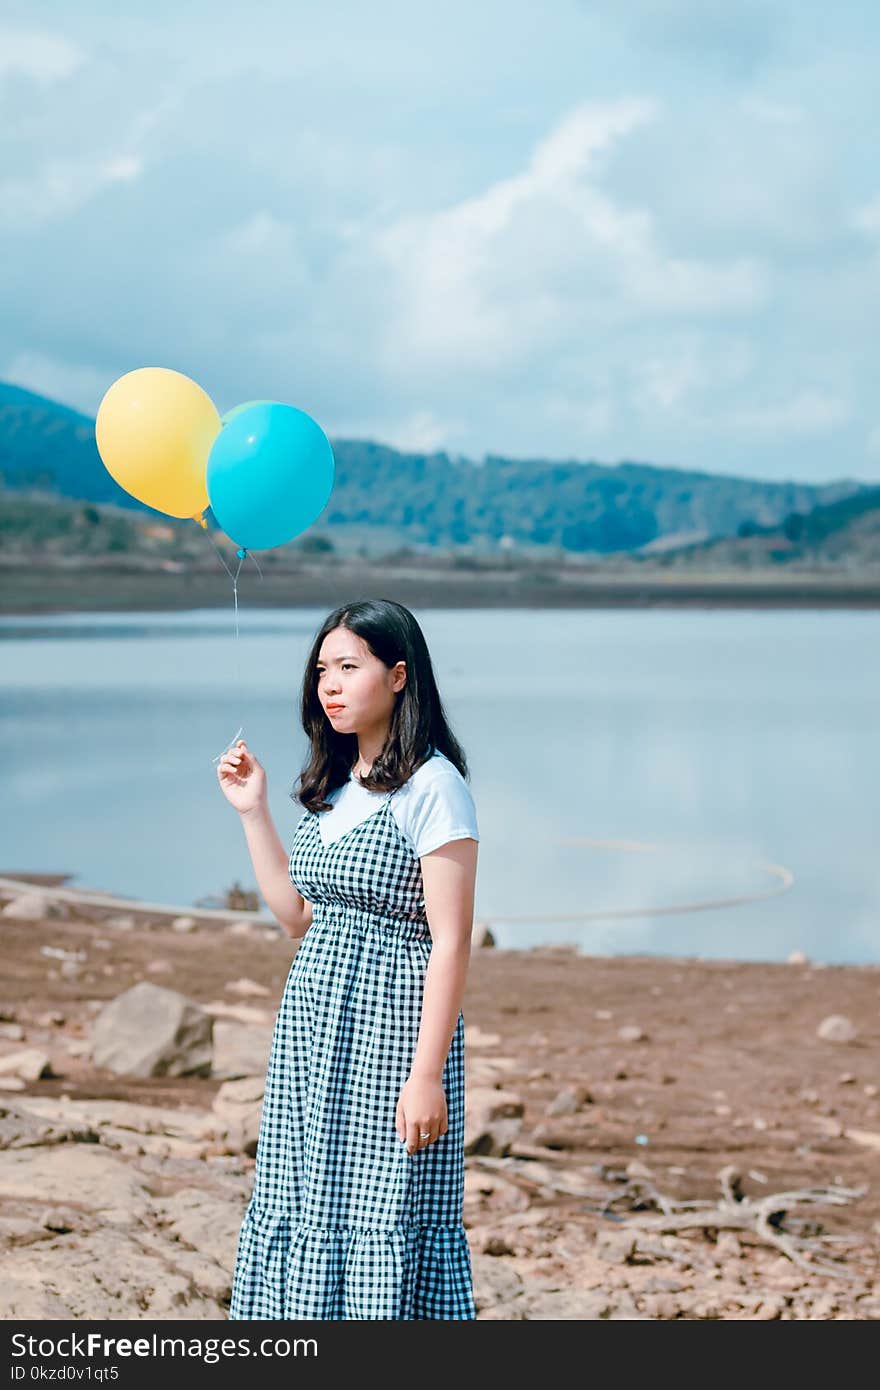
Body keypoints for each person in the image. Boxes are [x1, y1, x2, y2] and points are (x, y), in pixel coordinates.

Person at [219, 598, 480, 1320]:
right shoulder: (335, 787)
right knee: (303, 1197)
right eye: (321, 670)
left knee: (382, 1209)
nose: (328, 685)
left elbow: (452, 939)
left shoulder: (435, 787)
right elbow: (300, 915)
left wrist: (426, 1075)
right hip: (312, 1027)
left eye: (349, 667)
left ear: (399, 676)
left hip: (390, 1034)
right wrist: (254, 811)